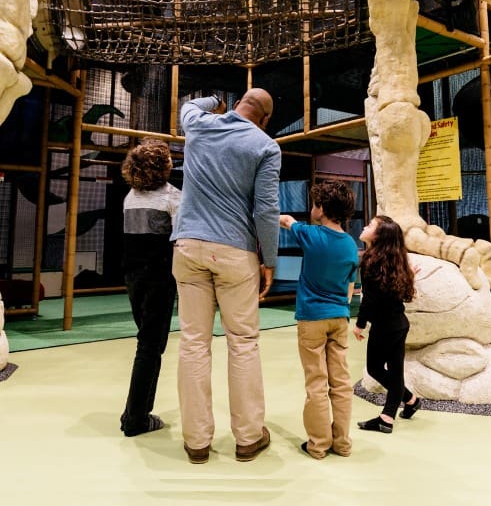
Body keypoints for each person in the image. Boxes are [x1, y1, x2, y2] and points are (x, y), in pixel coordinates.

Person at [172, 89, 281, 464]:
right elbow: (266, 208)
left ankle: (197, 442)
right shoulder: (266, 146)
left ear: (237, 105)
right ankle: (249, 437)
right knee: (243, 342)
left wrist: (215, 99)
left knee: (193, 343)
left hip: (187, 246)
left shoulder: (200, 125)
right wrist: (270, 259)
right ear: (264, 119)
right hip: (235, 252)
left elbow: (187, 104)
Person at [280, 181, 359, 460]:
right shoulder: (350, 244)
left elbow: (287, 221)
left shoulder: (311, 235)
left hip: (312, 318)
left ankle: (318, 444)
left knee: (316, 382)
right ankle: (342, 442)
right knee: (340, 382)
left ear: (322, 209)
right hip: (340, 319)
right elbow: (350, 287)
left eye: (315, 203)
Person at [119, 138, 181, 437]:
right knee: (150, 347)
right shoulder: (173, 198)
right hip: (158, 279)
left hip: (133, 278)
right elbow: (180, 240)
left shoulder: (129, 197)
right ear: (161, 166)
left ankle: (136, 410)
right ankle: (136, 418)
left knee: (147, 344)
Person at [353, 215, 421, 433]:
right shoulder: (394, 260)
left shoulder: (370, 261)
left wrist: (360, 324)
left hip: (384, 327)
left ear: (379, 236)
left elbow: (370, 299)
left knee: (375, 368)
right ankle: (406, 403)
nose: (365, 226)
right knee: (395, 372)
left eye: (370, 225)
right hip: (399, 324)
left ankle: (391, 414)